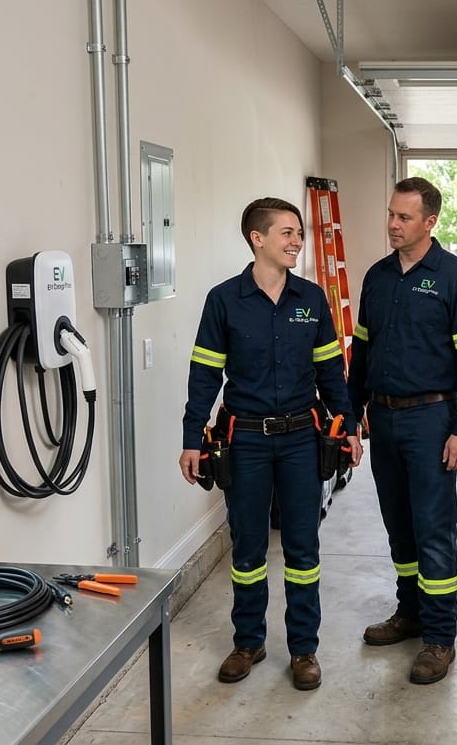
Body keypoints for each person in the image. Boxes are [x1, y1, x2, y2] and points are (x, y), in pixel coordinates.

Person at [178, 196, 362, 692]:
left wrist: (346, 427)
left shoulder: (312, 299)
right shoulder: (224, 300)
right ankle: (249, 642)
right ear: (257, 239)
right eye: (287, 232)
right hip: (247, 442)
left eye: (299, 233)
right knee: (248, 548)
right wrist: (192, 438)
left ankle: (304, 650)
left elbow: (331, 373)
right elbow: (204, 375)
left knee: (303, 548)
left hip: (303, 438)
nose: (297, 241)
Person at [347, 176, 457, 685]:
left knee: (433, 529)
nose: (393, 224)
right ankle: (408, 613)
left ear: (430, 222)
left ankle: (439, 636)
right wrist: (351, 413)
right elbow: (360, 352)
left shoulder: (456, 278)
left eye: (404, 217)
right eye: (390, 214)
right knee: (399, 523)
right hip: (381, 418)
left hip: (431, 420)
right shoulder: (378, 276)